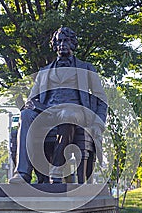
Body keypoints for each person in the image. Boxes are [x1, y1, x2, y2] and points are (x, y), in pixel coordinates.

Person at [9, 26, 107, 184]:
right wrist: (33, 106)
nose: (62, 44)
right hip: (48, 113)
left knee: (68, 114)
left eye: (66, 40)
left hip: (76, 112)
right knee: (25, 115)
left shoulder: (86, 68)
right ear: (54, 46)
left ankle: (56, 166)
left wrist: (98, 124)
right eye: (59, 41)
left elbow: (101, 98)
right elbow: (31, 99)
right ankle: (22, 174)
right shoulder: (44, 71)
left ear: (73, 43)